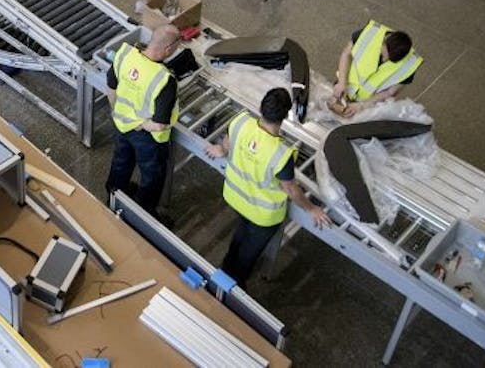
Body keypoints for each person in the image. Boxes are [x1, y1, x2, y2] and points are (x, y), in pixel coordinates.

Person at [206, 88, 331, 286]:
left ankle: (226, 268)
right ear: (285, 116)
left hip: (236, 197)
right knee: (248, 253)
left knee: (241, 233)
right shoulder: (281, 153)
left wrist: (219, 149)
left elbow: (226, 145)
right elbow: (290, 189)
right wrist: (312, 208)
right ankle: (233, 285)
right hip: (262, 215)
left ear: (261, 107)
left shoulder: (241, 122)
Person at [105, 25, 183, 213]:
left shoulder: (125, 54)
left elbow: (111, 87)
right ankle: (143, 214)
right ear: (168, 49)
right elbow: (159, 125)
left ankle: (113, 198)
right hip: (148, 138)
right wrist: (140, 124)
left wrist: (120, 113)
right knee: (151, 175)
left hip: (122, 125)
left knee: (121, 162)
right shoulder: (165, 80)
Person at [329, 20, 422, 116]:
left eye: (390, 61)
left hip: (369, 103)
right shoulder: (369, 34)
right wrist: (341, 82)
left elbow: (390, 92)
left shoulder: (409, 66)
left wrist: (363, 105)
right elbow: (346, 54)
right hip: (344, 86)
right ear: (383, 43)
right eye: (384, 55)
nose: (385, 60)